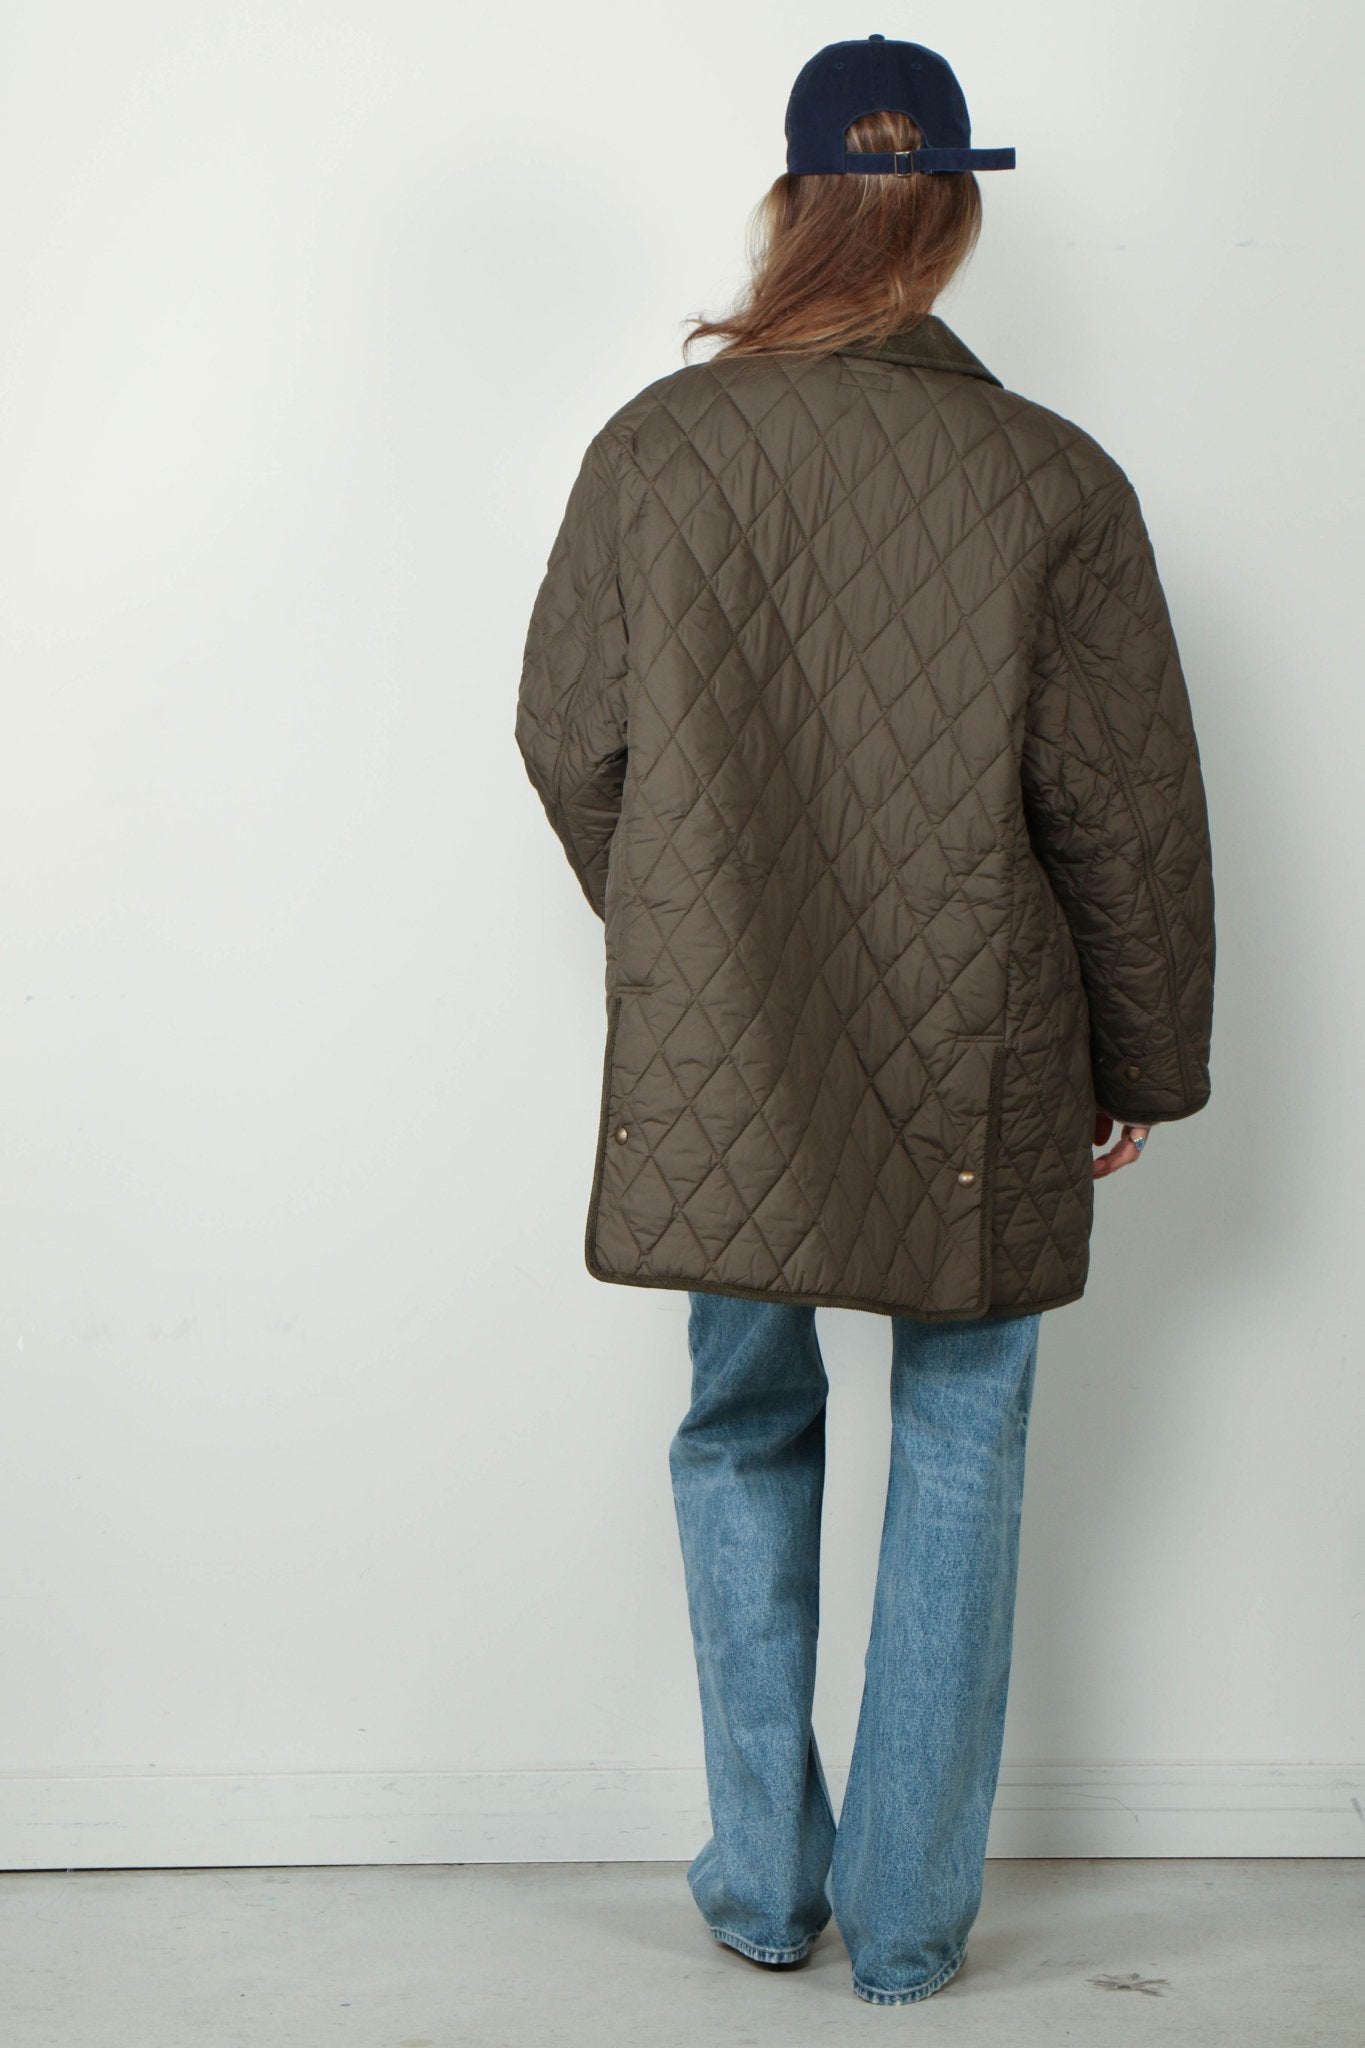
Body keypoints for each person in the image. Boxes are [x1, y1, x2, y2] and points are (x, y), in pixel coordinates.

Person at [514, 34, 1215, 2009]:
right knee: (963, 1435)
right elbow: (1122, 809)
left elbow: (566, 740)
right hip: (981, 1042)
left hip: (726, 1041)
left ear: (791, 202)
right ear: (950, 212)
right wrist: (1143, 1056)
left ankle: (762, 1881)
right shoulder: (1052, 477)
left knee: (739, 1418)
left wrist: (693, 930)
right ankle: (905, 1924)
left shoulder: (657, 449)